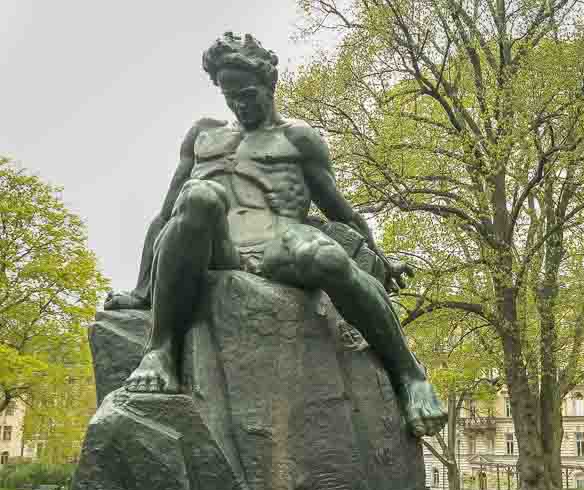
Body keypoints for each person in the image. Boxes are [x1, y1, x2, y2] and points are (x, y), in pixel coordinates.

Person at [106, 32, 446, 437]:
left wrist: (381, 260)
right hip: (217, 244)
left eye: (248, 93)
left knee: (328, 257)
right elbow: (168, 215)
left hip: (278, 242)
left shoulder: (298, 137)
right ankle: (161, 351)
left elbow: (339, 210)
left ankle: (410, 375)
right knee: (198, 195)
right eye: (230, 95)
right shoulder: (203, 135)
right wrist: (142, 290)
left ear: (269, 84)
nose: (240, 103)